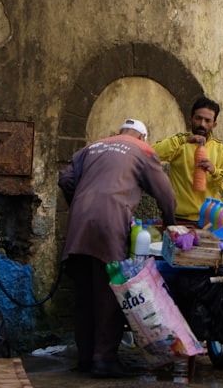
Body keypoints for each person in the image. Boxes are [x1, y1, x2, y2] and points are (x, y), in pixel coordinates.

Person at [58, 118, 177, 378]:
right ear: (143, 137)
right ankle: (104, 359)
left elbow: (65, 179)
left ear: (120, 132)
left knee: (84, 294)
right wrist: (171, 226)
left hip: (78, 223)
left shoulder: (93, 146)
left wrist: (80, 205)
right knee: (110, 292)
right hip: (110, 223)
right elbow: (166, 195)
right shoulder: (143, 151)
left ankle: (85, 358)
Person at [153, 96, 223, 224]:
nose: (202, 124)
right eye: (198, 118)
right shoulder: (179, 142)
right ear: (191, 119)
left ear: (214, 124)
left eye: (207, 120)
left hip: (211, 221)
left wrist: (214, 171)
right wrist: (184, 140)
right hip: (179, 218)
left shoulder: (221, 149)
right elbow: (151, 153)